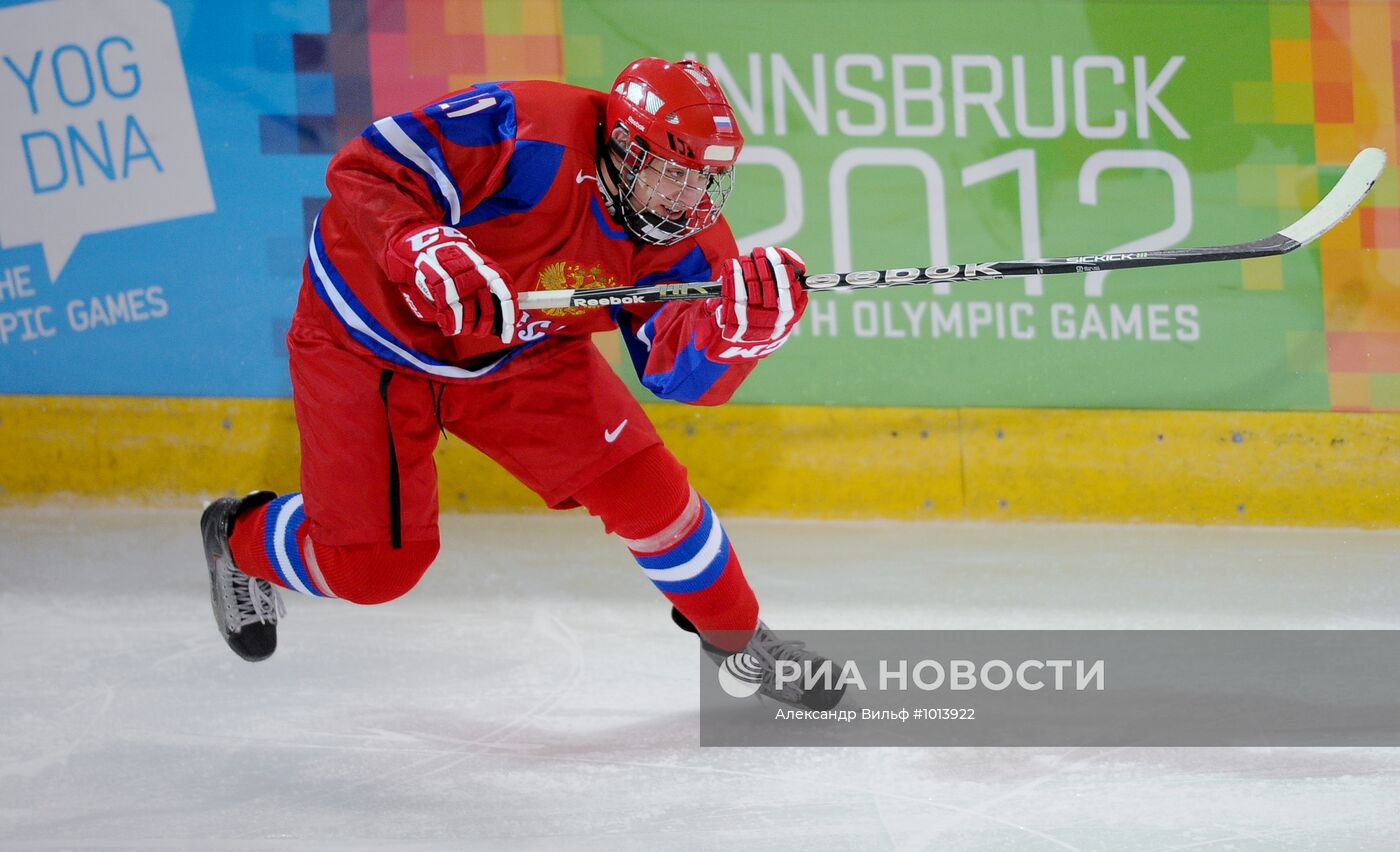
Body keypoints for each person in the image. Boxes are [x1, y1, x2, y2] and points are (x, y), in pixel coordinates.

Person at [200, 57, 843, 711]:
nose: (688, 201)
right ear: (624, 148)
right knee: (371, 570)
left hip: (521, 347)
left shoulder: (687, 239)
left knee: (649, 492)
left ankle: (737, 640)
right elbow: (365, 169)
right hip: (371, 343)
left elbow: (676, 373)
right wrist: (422, 246)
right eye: (673, 174)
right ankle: (239, 535)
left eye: (705, 180)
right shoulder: (531, 126)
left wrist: (736, 335)